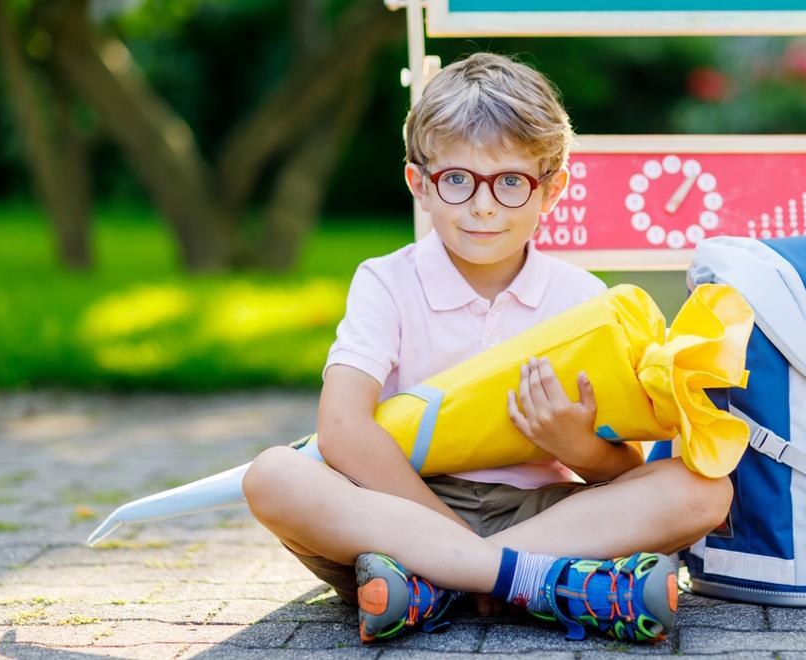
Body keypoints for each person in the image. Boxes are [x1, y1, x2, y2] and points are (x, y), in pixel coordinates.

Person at [242, 52, 733, 645]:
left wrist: (577, 446)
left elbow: (622, 470)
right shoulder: (386, 281)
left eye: (509, 182)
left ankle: (434, 589)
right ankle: (556, 588)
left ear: (551, 191)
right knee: (271, 476)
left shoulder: (582, 299)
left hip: (543, 516)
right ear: (419, 184)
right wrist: (445, 533)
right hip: (400, 508)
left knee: (705, 489)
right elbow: (343, 428)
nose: (482, 206)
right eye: (457, 180)